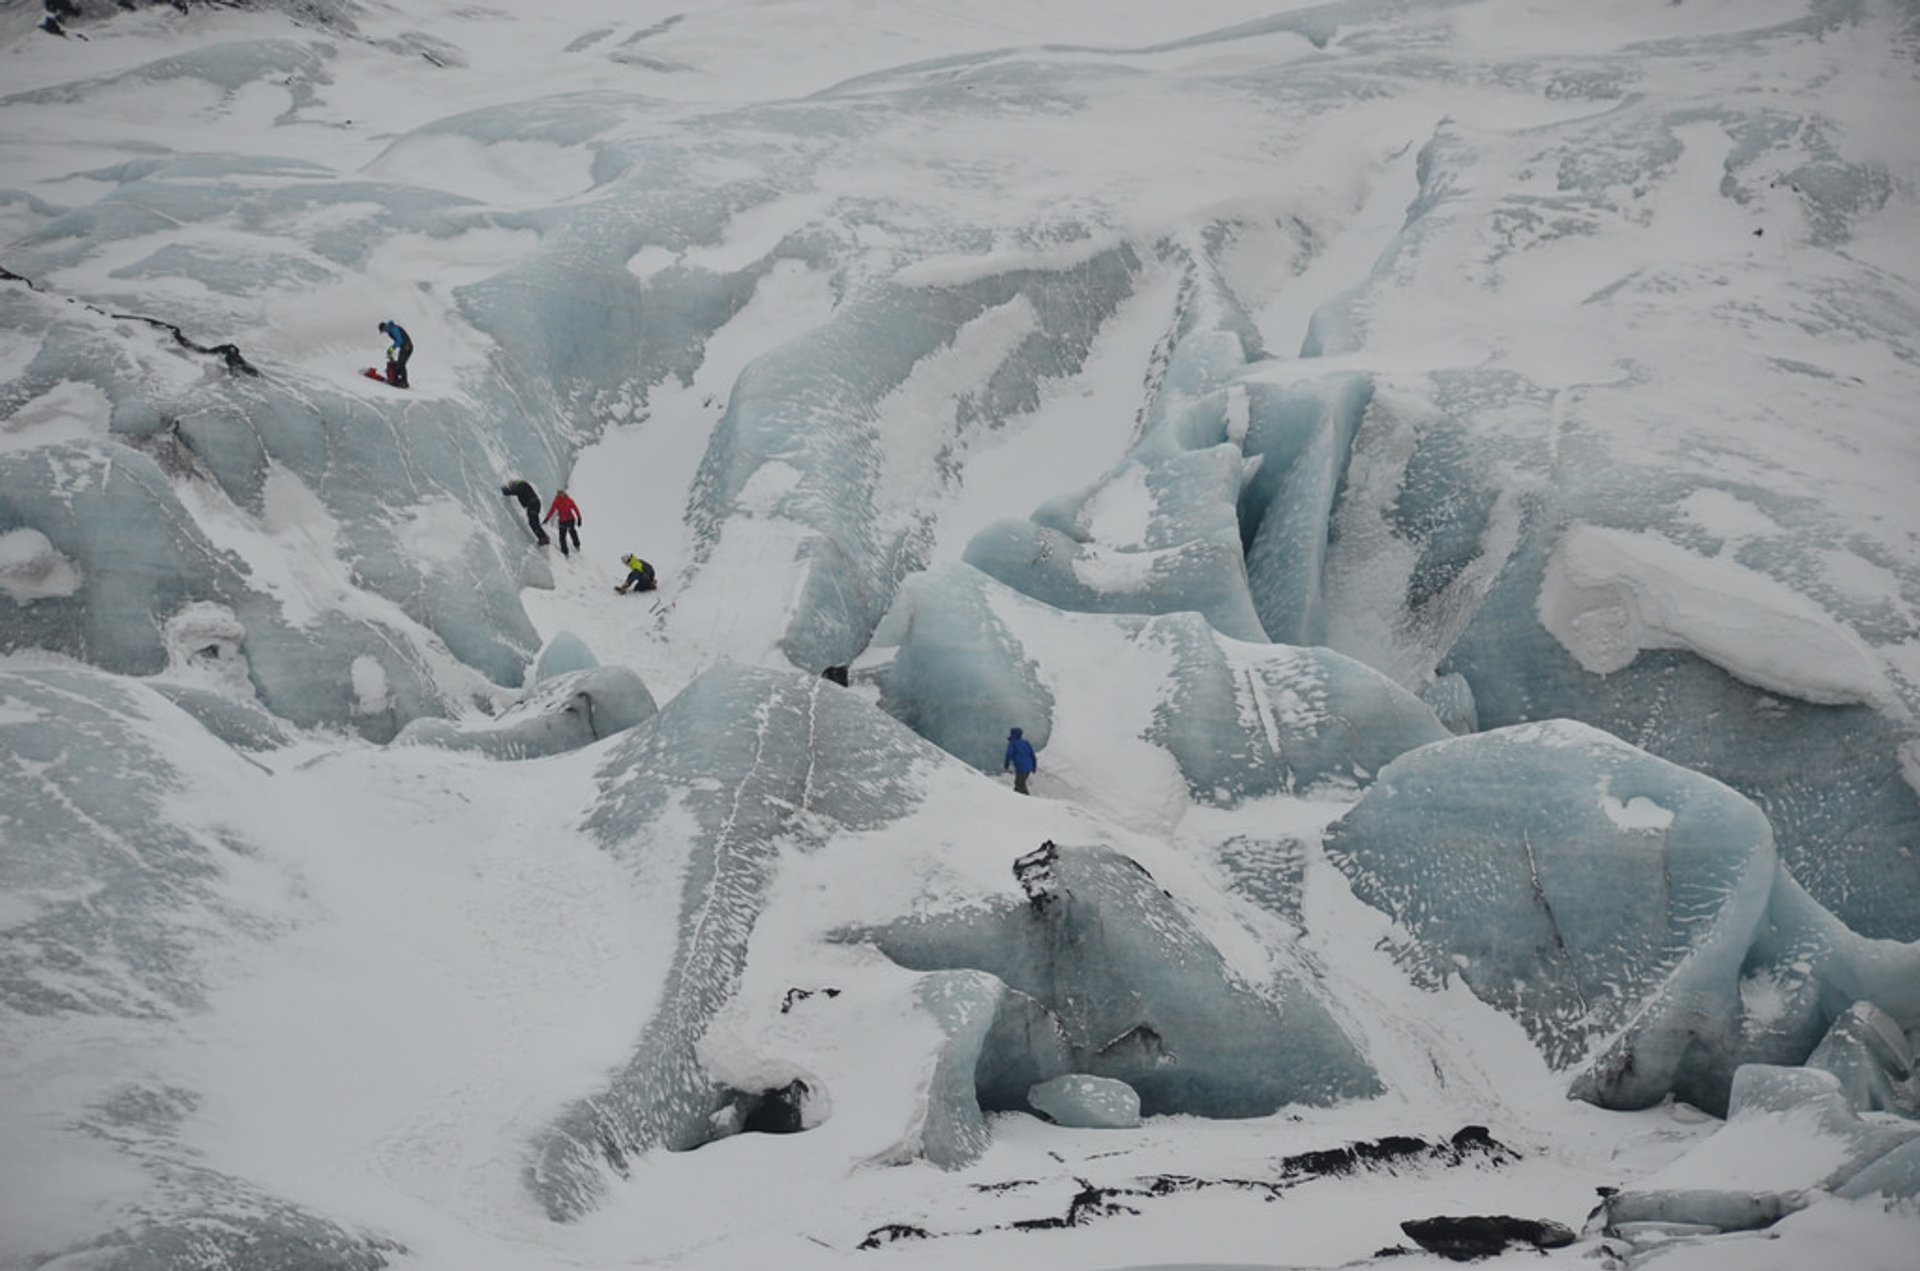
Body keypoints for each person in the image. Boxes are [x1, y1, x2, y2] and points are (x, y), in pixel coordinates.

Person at [500, 479, 549, 545]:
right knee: (534, 522)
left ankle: (543, 538)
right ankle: (543, 537)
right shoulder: (522, 485)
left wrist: (507, 492)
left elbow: (517, 491)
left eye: (511, 487)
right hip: (534, 504)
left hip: (532, 504)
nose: (512, 489)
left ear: (514, 485)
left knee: (533, 522)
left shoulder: (521, 484)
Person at [544, 488, 582, 556]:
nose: (560, 495)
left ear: (564, 493)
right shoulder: (556, 501)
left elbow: (576, 509)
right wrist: (547, 518)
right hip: (562, 521)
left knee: (572, 532)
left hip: (570, 519)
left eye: (561, 493)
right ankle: (565, 551)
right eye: (559, 493)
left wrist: (579, 518)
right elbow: (552, 510)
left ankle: (577, 545)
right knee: (562, 536)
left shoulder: (569, 500)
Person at [377, 320, 413, 388]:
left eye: (383, 331)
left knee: (401, 364)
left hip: (407, 347)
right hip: (404, 347)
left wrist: (391, 349)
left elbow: (399, 341)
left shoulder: (393, 329)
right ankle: (397, 379)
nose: (384, 332)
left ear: (384, 327)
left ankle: (404, 382)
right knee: (400, 363)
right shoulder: (391, 330)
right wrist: (391, 350)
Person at [1004, 727, 1037, 795]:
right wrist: (1034, 767)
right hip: (1029, 767)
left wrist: (1006, 766)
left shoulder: (1013, 744)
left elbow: (1008, 754)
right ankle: (1016, 798)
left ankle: (1028, 800)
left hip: (1021, 767)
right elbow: (1032, 755)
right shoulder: (1026, 743)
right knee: (1020, 783)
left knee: (1019, 784)